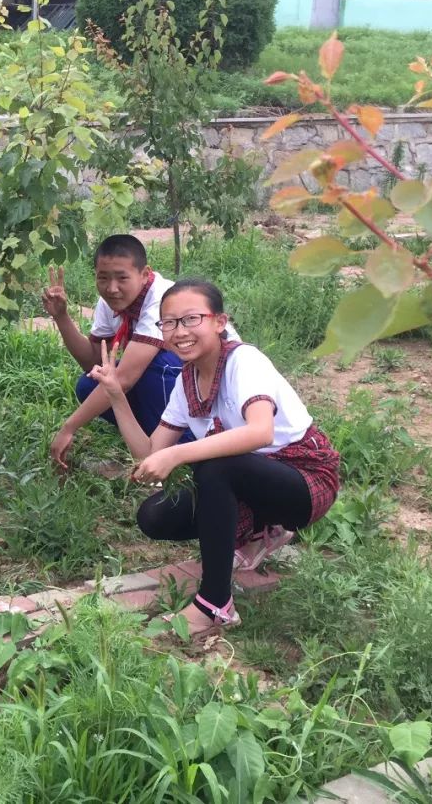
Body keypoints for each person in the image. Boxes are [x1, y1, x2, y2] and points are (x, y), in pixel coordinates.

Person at [90, 278, 340, 635]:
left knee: (215, 465)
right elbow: (148, 453)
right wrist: (116, 396)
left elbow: (259, 432)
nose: (180, 332)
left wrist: (178, 454)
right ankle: (260, 530)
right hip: (253, 480)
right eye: (170, 323)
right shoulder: (186, 380)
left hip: (304, 480)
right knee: (155, 517)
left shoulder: (244, 360)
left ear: (219, 322)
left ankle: (215, 604)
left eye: (192, 319)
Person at [46, 234, 238, 470]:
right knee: (90, 385)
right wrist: (62, 317)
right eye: (103, 278)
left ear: (145, 274)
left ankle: (189, 453)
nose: (112, 288)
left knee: (151, 367)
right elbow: (94, 360)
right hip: (184, 384)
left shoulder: (161, 299)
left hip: (219, 391)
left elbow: (125, 379)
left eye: (122, 278)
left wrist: (69, 427)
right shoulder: (109, 302)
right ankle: (149, 446)